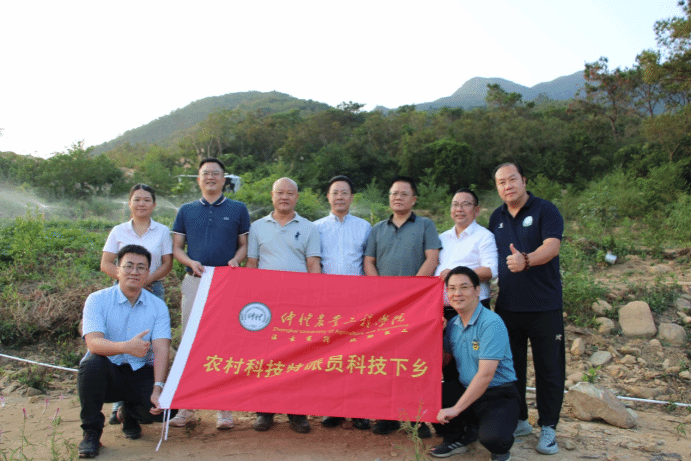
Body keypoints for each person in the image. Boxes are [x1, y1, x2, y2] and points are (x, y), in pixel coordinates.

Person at [489, 162, 564, 455]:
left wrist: (527, 260)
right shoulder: (496, 217)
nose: (507, 186)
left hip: (545, 306)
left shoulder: (545, 210)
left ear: (524, 180)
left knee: (549, 368)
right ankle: (520, 420)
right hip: (508, 306)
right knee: (511, 367)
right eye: (501, 182)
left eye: (512, 179)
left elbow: (552, 246)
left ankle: (549, 428)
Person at [169, 158, 250, 430]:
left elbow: (244, 245)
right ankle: (186, 406)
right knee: (190, 341)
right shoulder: (186, 210)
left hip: (226, 284)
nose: (211, 177)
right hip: (195, 282)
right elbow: (177, 247)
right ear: (198, 179)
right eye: (205, 173)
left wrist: (236, 260)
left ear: (224, 179)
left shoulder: (238, 208)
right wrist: (190, 262)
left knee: (224, 343)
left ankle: (223, 408)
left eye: (216, 173)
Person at [78, 245, 175, 458]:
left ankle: (129, 413)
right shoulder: (97, 300)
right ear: (117, 269)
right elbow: (93, 344)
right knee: (92, 364)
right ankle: (91, 432)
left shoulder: (158, 306)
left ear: (148, 273)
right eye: (128, 266)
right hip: (108, 372)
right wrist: (124, 347)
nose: (134, 272)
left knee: (169, 407)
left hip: (140, 371)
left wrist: (158, 388)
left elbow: (161, 348)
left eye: (141, 267)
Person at [364, 175, 441, 438]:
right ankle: (387, 416)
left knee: (414, 360)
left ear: (414, 199)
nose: (398, 197)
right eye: (394, 193)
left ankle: (417, 419)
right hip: (384, 305)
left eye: (404, 194)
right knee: (385, 360)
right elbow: (369, 261)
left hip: (416, 304)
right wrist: (381, 290)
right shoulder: (377, 229)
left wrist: (411, 291)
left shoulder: (426, 225)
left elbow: (432, 258)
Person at [246, 177, 321, 433]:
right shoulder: (257, 227)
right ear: (272, 196)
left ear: (297, 197)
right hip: (265, 306)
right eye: (280, 192)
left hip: (297, 304)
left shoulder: (309, 228)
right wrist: (250, 300)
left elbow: (313, 265)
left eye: (290, 193)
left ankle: (296, 413)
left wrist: (314, 301)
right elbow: (252, 264)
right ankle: (264, 412)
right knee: (264, 358)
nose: (284, 197)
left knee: (296, 358)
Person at [100, 183, 173, 426]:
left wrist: (145, 280)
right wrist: (128, 279)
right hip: (122, 292)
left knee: (150, 344)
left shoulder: (162, 231)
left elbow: (167, 264)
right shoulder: (118, 230)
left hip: (153, 290)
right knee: (120, 340)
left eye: (147, 200)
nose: (142, 204)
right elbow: (106, 263)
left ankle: (141, 398)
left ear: (154, 204)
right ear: (130, 203)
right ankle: (117, 404)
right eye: (137, 199)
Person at [433, 266, 519, 461]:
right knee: (432, 396)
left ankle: (500, 447)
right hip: (466, 389)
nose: (457, 293)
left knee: (493, 438)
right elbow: (443, 362)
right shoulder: (453, 324)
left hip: (498, 393)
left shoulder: (491, 323)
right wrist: (436, 334)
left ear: (477, 290)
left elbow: (486, 375)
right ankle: (457, 437)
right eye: (452, 288)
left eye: (464, 287)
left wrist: (456, 409)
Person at [313, 175, 372, 430]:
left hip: (357, 300)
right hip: (327, 301)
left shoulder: (364, 227)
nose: (339, 197)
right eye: (335, 192)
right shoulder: (316, 227)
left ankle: (358, 409)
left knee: (357, 355)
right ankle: (333, 408)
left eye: (344, 192)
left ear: (351, 197)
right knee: (330, 356)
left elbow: (368, 262)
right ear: (328, 197)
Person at [435, 188, 497, 310]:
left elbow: (491, 270)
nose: (459, 209)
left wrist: (456, 274)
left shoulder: (484, 236)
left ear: (476, 210)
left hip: (472, 307)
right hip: (442, 309)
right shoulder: (442, 238)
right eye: (455, 205)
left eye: (465, 204)